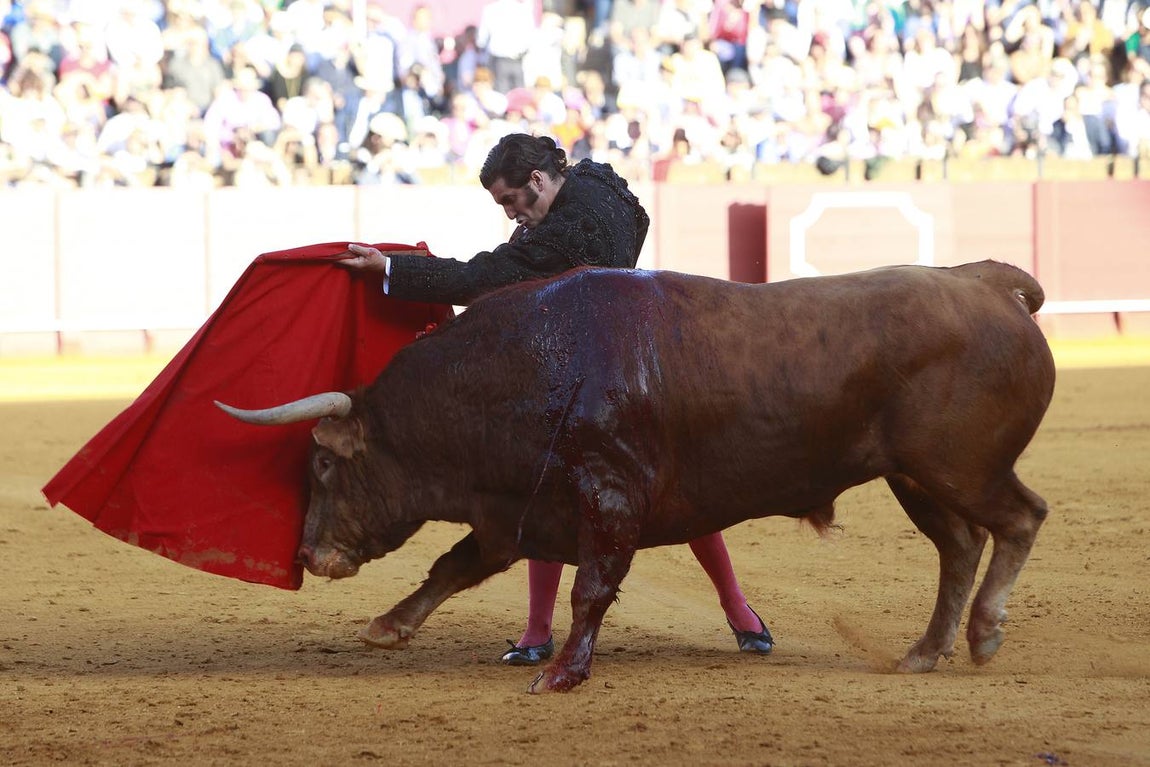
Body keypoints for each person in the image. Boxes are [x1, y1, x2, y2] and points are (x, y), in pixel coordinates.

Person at [336, 133, 774, 664]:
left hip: (588, 377)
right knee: (676, 489)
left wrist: (391, 269)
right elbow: (636, 224)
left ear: (538, 181)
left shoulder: (560, 236)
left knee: (549, 485)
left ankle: (539, 632)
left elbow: (481, 277)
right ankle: (737, 611)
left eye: (510, 201)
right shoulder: (597, 181)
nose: (511, 215)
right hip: (646, 361)